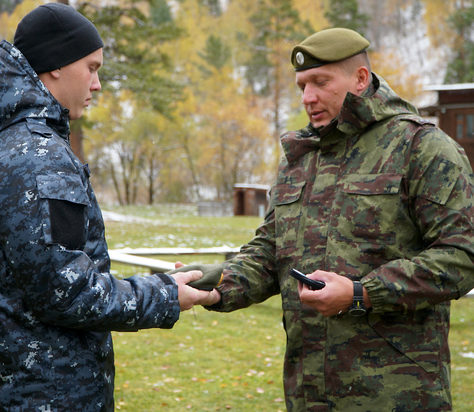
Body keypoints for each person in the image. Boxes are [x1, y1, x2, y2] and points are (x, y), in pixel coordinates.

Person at [187, 28, 474, 411]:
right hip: (309, 394)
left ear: (360, 79)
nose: (308, 97)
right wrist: (217, 285)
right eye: (302, 85)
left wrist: (363, 293)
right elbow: (271, 253)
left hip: (398, 396)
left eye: (321, 82)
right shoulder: (302, 158)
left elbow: (462, 255)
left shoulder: (422, 148)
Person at [0, 4, 216, 411]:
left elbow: (53, 274)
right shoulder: (38, 155)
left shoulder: (16, 142)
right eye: (91, 67)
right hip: (48, 394)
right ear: (56, 65)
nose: (97, 84)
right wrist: (166, 294)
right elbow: (66, 292)